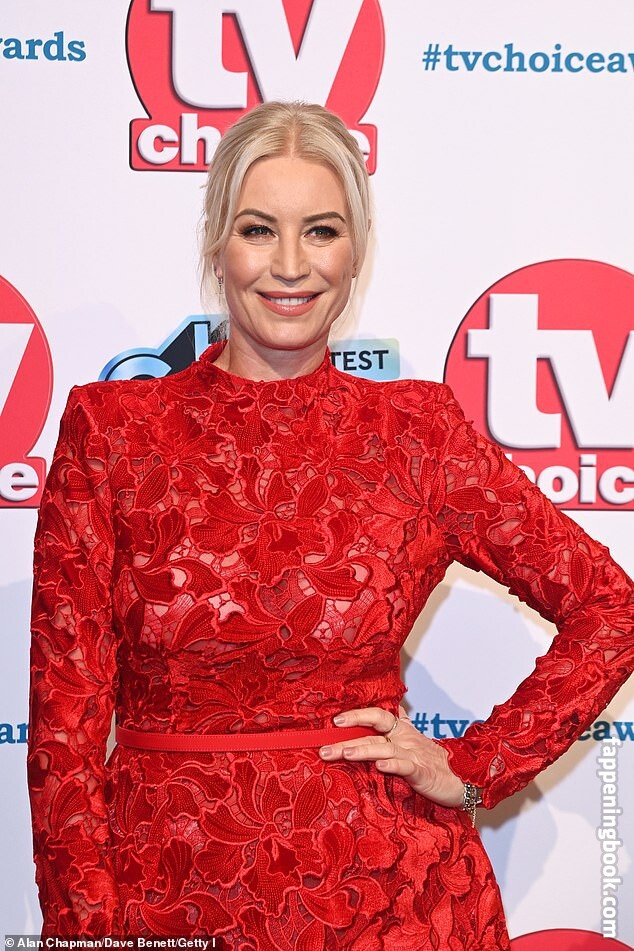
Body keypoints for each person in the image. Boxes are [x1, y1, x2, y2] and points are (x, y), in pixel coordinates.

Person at [28, 101, 634, 950]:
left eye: (320, 231)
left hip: (386, 900)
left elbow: (611, 607)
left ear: (356, 253)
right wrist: (85, 929)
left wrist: (474, 768)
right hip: (166, 893)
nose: (289, 264)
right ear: (217, 244)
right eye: (258, 229)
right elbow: (63, 727)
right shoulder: (113, 432)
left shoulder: (417, 434)